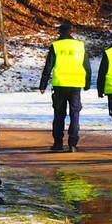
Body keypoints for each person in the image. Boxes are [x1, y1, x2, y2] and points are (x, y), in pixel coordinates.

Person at [39, 22, 91, 152]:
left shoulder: (56, 46)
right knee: (75, 114)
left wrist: (43, 84)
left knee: (59, 115)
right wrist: (87, 83)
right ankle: (73, 143)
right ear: (72, 33)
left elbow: (48, 66)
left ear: (60, 33)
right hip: (75, 84)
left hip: (60, 84)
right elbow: (87, 66)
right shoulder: (79, 46)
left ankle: (58, 143)